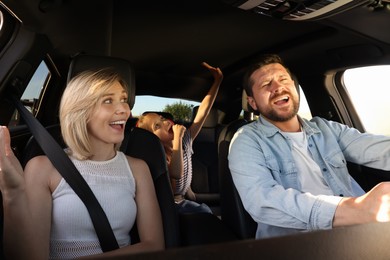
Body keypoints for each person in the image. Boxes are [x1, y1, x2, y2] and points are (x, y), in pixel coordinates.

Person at [0, 70, 164, 259]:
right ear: (81, 111)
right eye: (108, 101)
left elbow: (154, 246)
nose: (125, 110)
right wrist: (12, 193)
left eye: (124, 99)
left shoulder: (138, 169)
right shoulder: (42, 168)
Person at [228, 53, 390, 239]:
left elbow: (375, 148)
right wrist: (354, 209)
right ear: (253, 102)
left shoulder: (326, 128)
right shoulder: (246, 140)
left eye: (283, 80)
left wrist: (361, 212)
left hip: (359, 232)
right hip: (296, 245)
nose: (278, 87)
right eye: (266, 84)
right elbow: (261, 200)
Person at [137, 61, 223, 214]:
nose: (164, 123)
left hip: (183, 199)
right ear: (152, 139)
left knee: (207, 212)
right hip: (169, 207)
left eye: (163, 119)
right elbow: (175, 173)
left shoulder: (185, 141)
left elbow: (203, 111)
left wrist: (217, 81)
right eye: (157, 126)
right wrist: (177, 138)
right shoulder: (160, 155)